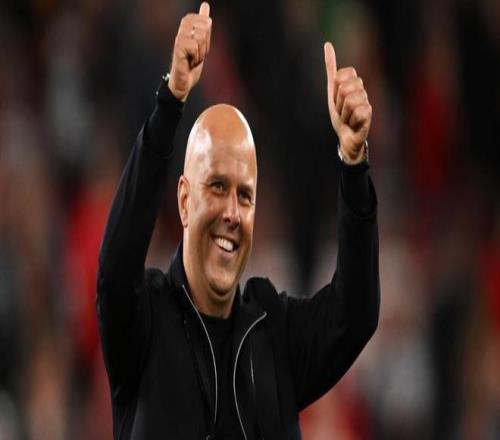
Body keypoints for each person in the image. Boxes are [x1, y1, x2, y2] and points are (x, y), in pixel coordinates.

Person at [96, 2, 379, 439]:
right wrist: (170, 101)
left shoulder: (274, 336)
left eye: (245, 196)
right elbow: (116, 269)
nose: (232, 213)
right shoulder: (144, 323)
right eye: (217, 187)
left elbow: (355, 314)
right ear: (185, 200)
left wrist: (354, 164)